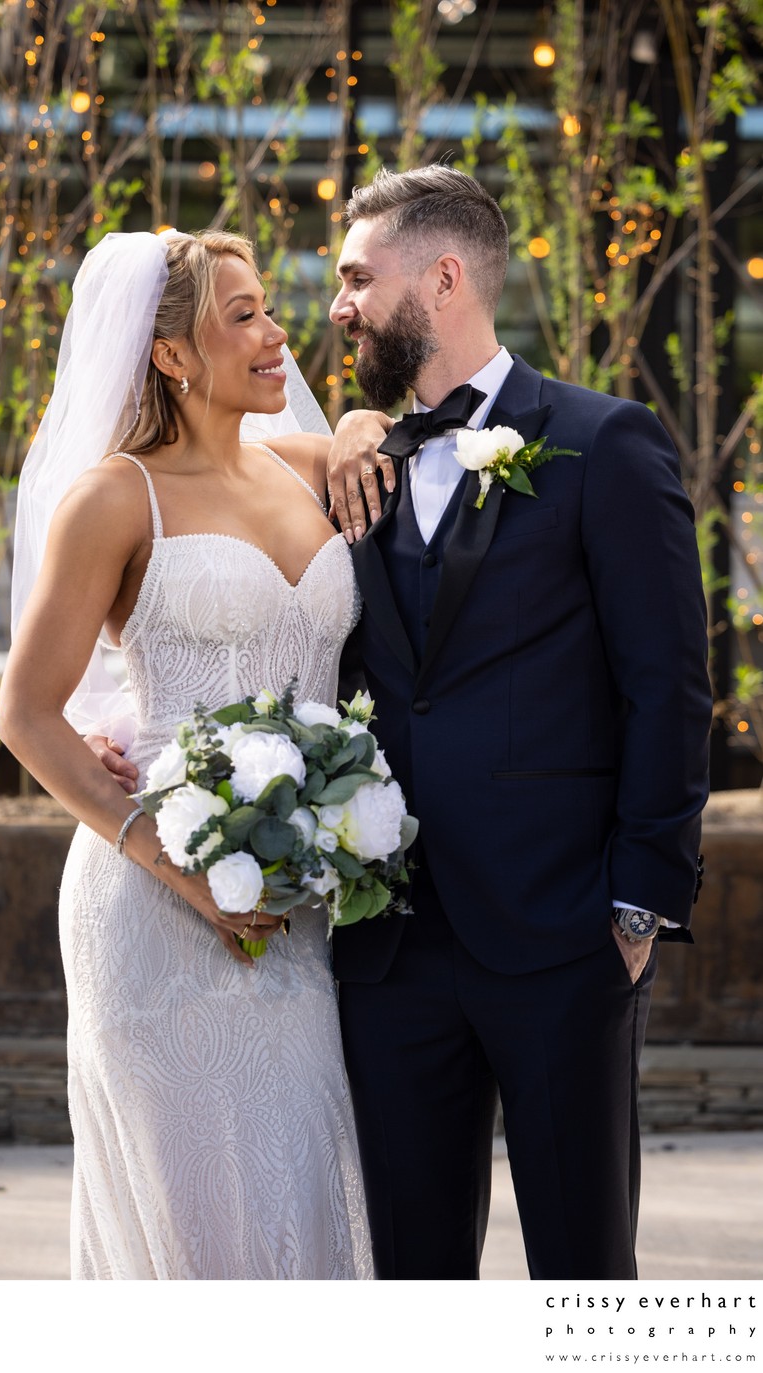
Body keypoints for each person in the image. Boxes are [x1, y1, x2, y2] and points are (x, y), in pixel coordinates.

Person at [320, 165, 712, 1280]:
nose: (338, 304)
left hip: (561, 934)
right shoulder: (361, 464)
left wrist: (640, 900)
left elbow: (669, 684)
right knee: (414, 1273)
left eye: (357, 276)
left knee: (582, 1270)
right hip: (389, 940)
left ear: (442, 278)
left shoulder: (604, 442)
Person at [0, 227, 385, 1280]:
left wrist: (355, 419)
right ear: (169, 353)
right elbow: (26, 715)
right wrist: (189, 875)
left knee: (302, 1195)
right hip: (158, 902)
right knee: (198, 1234)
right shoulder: (116, 496)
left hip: (298, 909)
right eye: (243, 316)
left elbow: (372, 433)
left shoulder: (304, 463)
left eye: (269, 308)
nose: (276, 338)